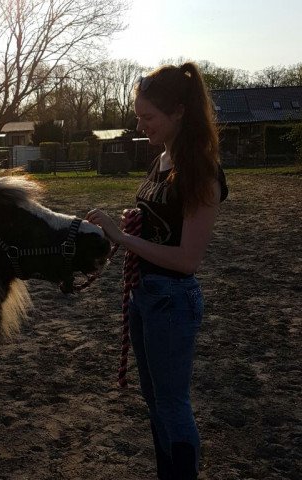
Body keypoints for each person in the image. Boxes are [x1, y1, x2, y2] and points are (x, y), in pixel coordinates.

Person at [86, 62, 228, 480]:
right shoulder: (161, 162)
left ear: (179, 111)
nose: (140, 124)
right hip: (144, 296)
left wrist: (120, 235)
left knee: (172, 405)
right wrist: (135, 222)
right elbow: (160, 228)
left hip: (171, 300)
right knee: (156, 404)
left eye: (148, 117)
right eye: (138, 116)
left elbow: (187, 260)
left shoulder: (201, 172)